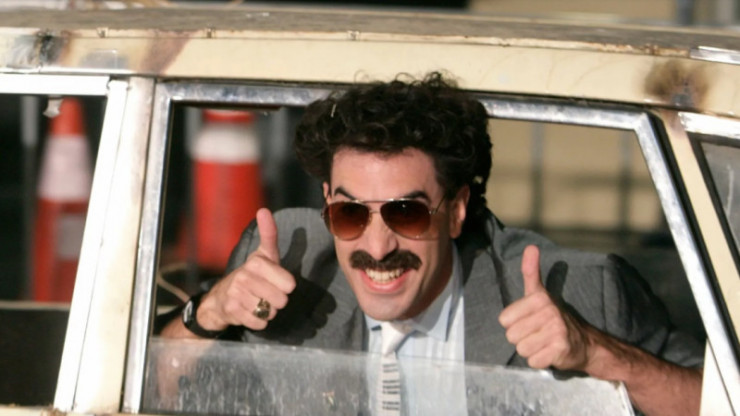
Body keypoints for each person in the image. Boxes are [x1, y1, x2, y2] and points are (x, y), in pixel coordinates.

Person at [160, 72, 703, 415]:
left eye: (407, 213)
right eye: (350, 213)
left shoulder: (580, 290)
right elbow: (157, 391)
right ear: (326, 201)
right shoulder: (290, 262)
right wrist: (208, 313)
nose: (377, 245)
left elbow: (717, 403)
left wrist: (598, 354)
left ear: (457, 208)